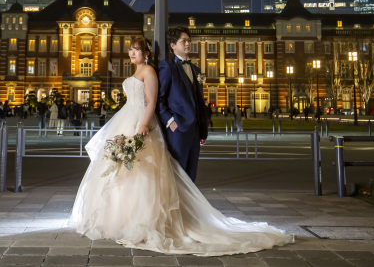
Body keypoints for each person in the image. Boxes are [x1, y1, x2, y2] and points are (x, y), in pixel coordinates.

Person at [69, 36, 292, 255]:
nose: (131, 53)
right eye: (130, 49)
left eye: (136, 49)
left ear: (146, 52)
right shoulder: (138, 71)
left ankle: (149, 219)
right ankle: (120, 218)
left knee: (144, 171)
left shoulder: (150, 71)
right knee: (125, 171)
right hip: (128, 118)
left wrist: (145, 124)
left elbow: (155, 100)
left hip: (141, 122)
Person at [157, 27, 208, 182]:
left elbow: (199, 101)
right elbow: (160, 98)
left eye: (189, 41)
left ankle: (187, 206)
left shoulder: (195, 69)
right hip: (178, 129)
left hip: (195, 131)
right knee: (177, 173)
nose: (187, 44)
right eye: (183, 41)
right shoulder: (167, 66)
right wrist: (170, 121)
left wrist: (202, 129)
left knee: (191, 176)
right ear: (173, 45)